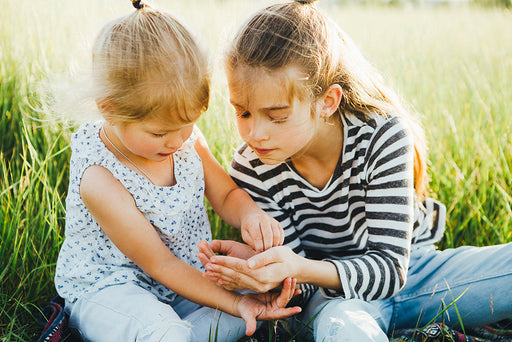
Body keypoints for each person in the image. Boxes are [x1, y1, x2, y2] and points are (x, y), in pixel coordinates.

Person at [197, 0, 512, 341]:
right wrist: (265, 271)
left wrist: (295, 266)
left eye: (277, 116)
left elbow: (391, 269)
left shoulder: (382, 134)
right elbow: (298, 287)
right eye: (242, 113)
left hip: (419, 276)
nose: (255, 133)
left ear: (327, 102)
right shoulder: (252, 166)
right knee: (344, 328)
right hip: (332, 298)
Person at [53, 1, 302, 341]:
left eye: (188, 124)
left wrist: (250, 216)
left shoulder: (186, 141)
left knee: (253, 304)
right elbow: (161, 264)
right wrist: (233, 304)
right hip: (113, 288)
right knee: (170, 329)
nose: (177, 141)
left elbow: (226, 194)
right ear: (109, 109)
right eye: (159, 132)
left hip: (182, 281)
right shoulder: (100, 177)